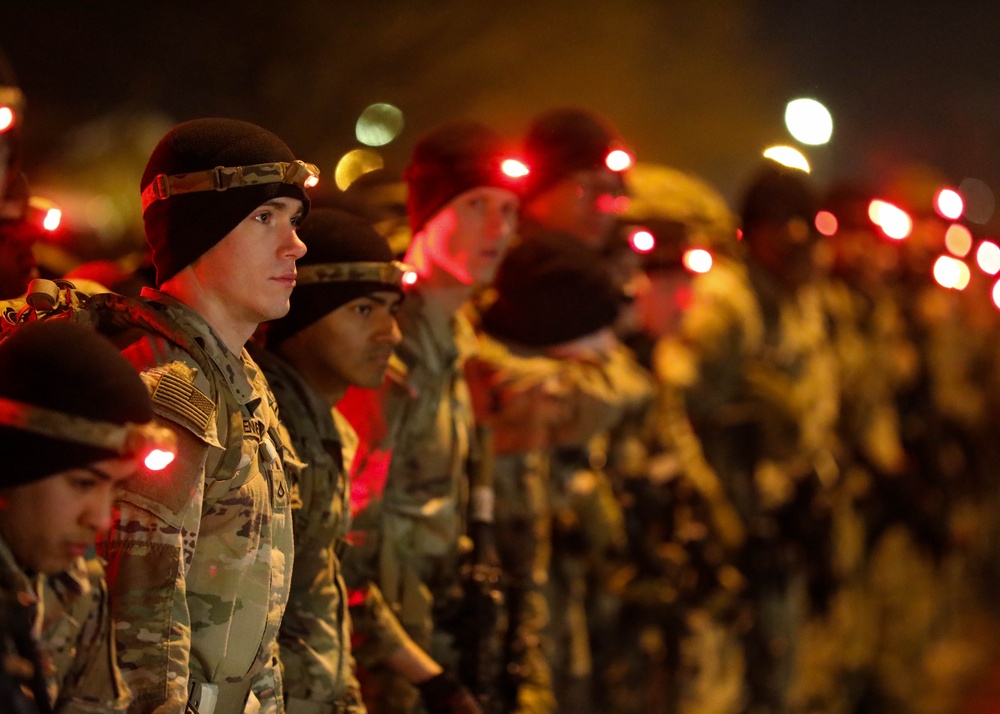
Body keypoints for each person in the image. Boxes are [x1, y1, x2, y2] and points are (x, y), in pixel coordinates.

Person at [94, 117, 317, 714]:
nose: (294, 243)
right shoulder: (170, 394)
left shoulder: (239, 378)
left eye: (294, 220)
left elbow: (256, 619)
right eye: (265, 217)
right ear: (199, 233)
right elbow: (142, 633)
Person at [338, 120, 524, 714]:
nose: (498, 230)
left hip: (436, 635)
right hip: (383, 660)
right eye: (475, 207)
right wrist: (417, 672)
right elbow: (342, 531)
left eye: (509, 211)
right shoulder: (385, 343)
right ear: (429, 214)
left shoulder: (460, 337)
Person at [251, 207, 409, 713]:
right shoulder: (265, 424)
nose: (391, 334)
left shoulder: (326, 425)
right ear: (301, 314)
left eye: (392, 310)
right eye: (363, 310)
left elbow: (329, 585)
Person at [0, 320, 175, 713]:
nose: (100, 519)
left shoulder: (76, 583)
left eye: (114, 488)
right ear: (13, 467)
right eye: (83, 483)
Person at [518, 107, 631, 251]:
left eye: (613, 192)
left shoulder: (623, 267)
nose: (602, 206)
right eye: (588, 188)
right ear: (539, 192)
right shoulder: (492, 265)